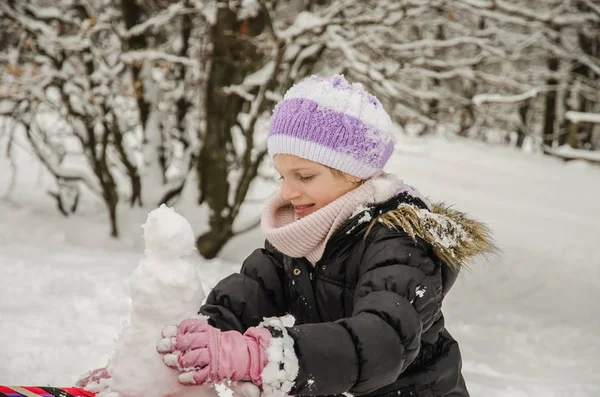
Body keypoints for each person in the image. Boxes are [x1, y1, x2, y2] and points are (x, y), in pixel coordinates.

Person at [156, 74, 496, 397]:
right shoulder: (302, 234)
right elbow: (250, 294)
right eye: (282, 176)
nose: (288, 192)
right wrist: (194, 344)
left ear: (355, 174)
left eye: (304, 176)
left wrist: (265, 356)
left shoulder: (399, 246)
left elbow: (381, 341)